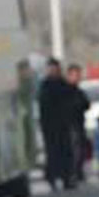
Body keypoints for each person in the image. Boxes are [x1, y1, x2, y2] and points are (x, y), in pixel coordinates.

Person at [39, 58, 76, 190]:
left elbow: (73, 101)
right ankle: (52, 179)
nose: (53, 71)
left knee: (66, 152)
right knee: (52, 154)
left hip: (64, 125)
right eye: (51, 68)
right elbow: (43, 106)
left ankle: (67, 179)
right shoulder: (45, 85)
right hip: (49, 127)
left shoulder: (64, 84)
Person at [66, 63, 91, 184]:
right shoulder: (66, 90)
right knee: (75, 150)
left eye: (78, 75)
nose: (77, 77)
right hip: (70, 126)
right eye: (75, 75)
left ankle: (78, 172)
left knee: (80, 149)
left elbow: (86, 104)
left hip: (79, 124)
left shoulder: (78, 91)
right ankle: (73, 173)